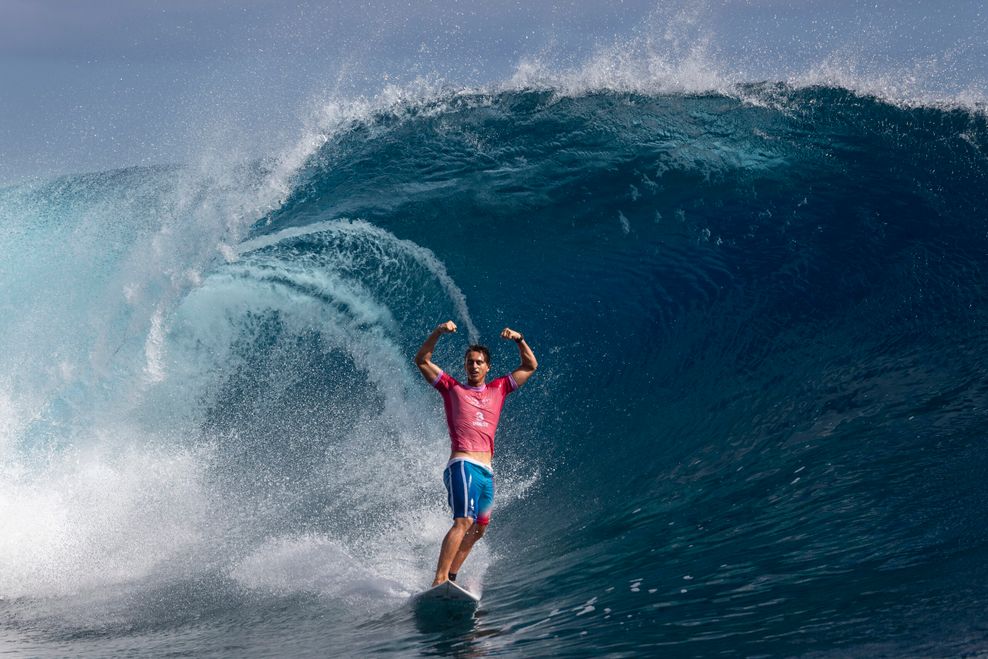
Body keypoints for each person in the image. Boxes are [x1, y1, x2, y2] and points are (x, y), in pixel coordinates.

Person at [414, 320, 537, 586]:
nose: (473, 366)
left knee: (479, 528)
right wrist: (437, 332)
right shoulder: (452, 388)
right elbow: (422, 360)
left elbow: (530, 366)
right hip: (463, 464)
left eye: (479, 362)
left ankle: (453, 578)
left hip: (486, 472)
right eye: (470, 362)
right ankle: (439, 580)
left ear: (487, 367)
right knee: (463, 521)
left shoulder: (499, 388)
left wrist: (519, 338)